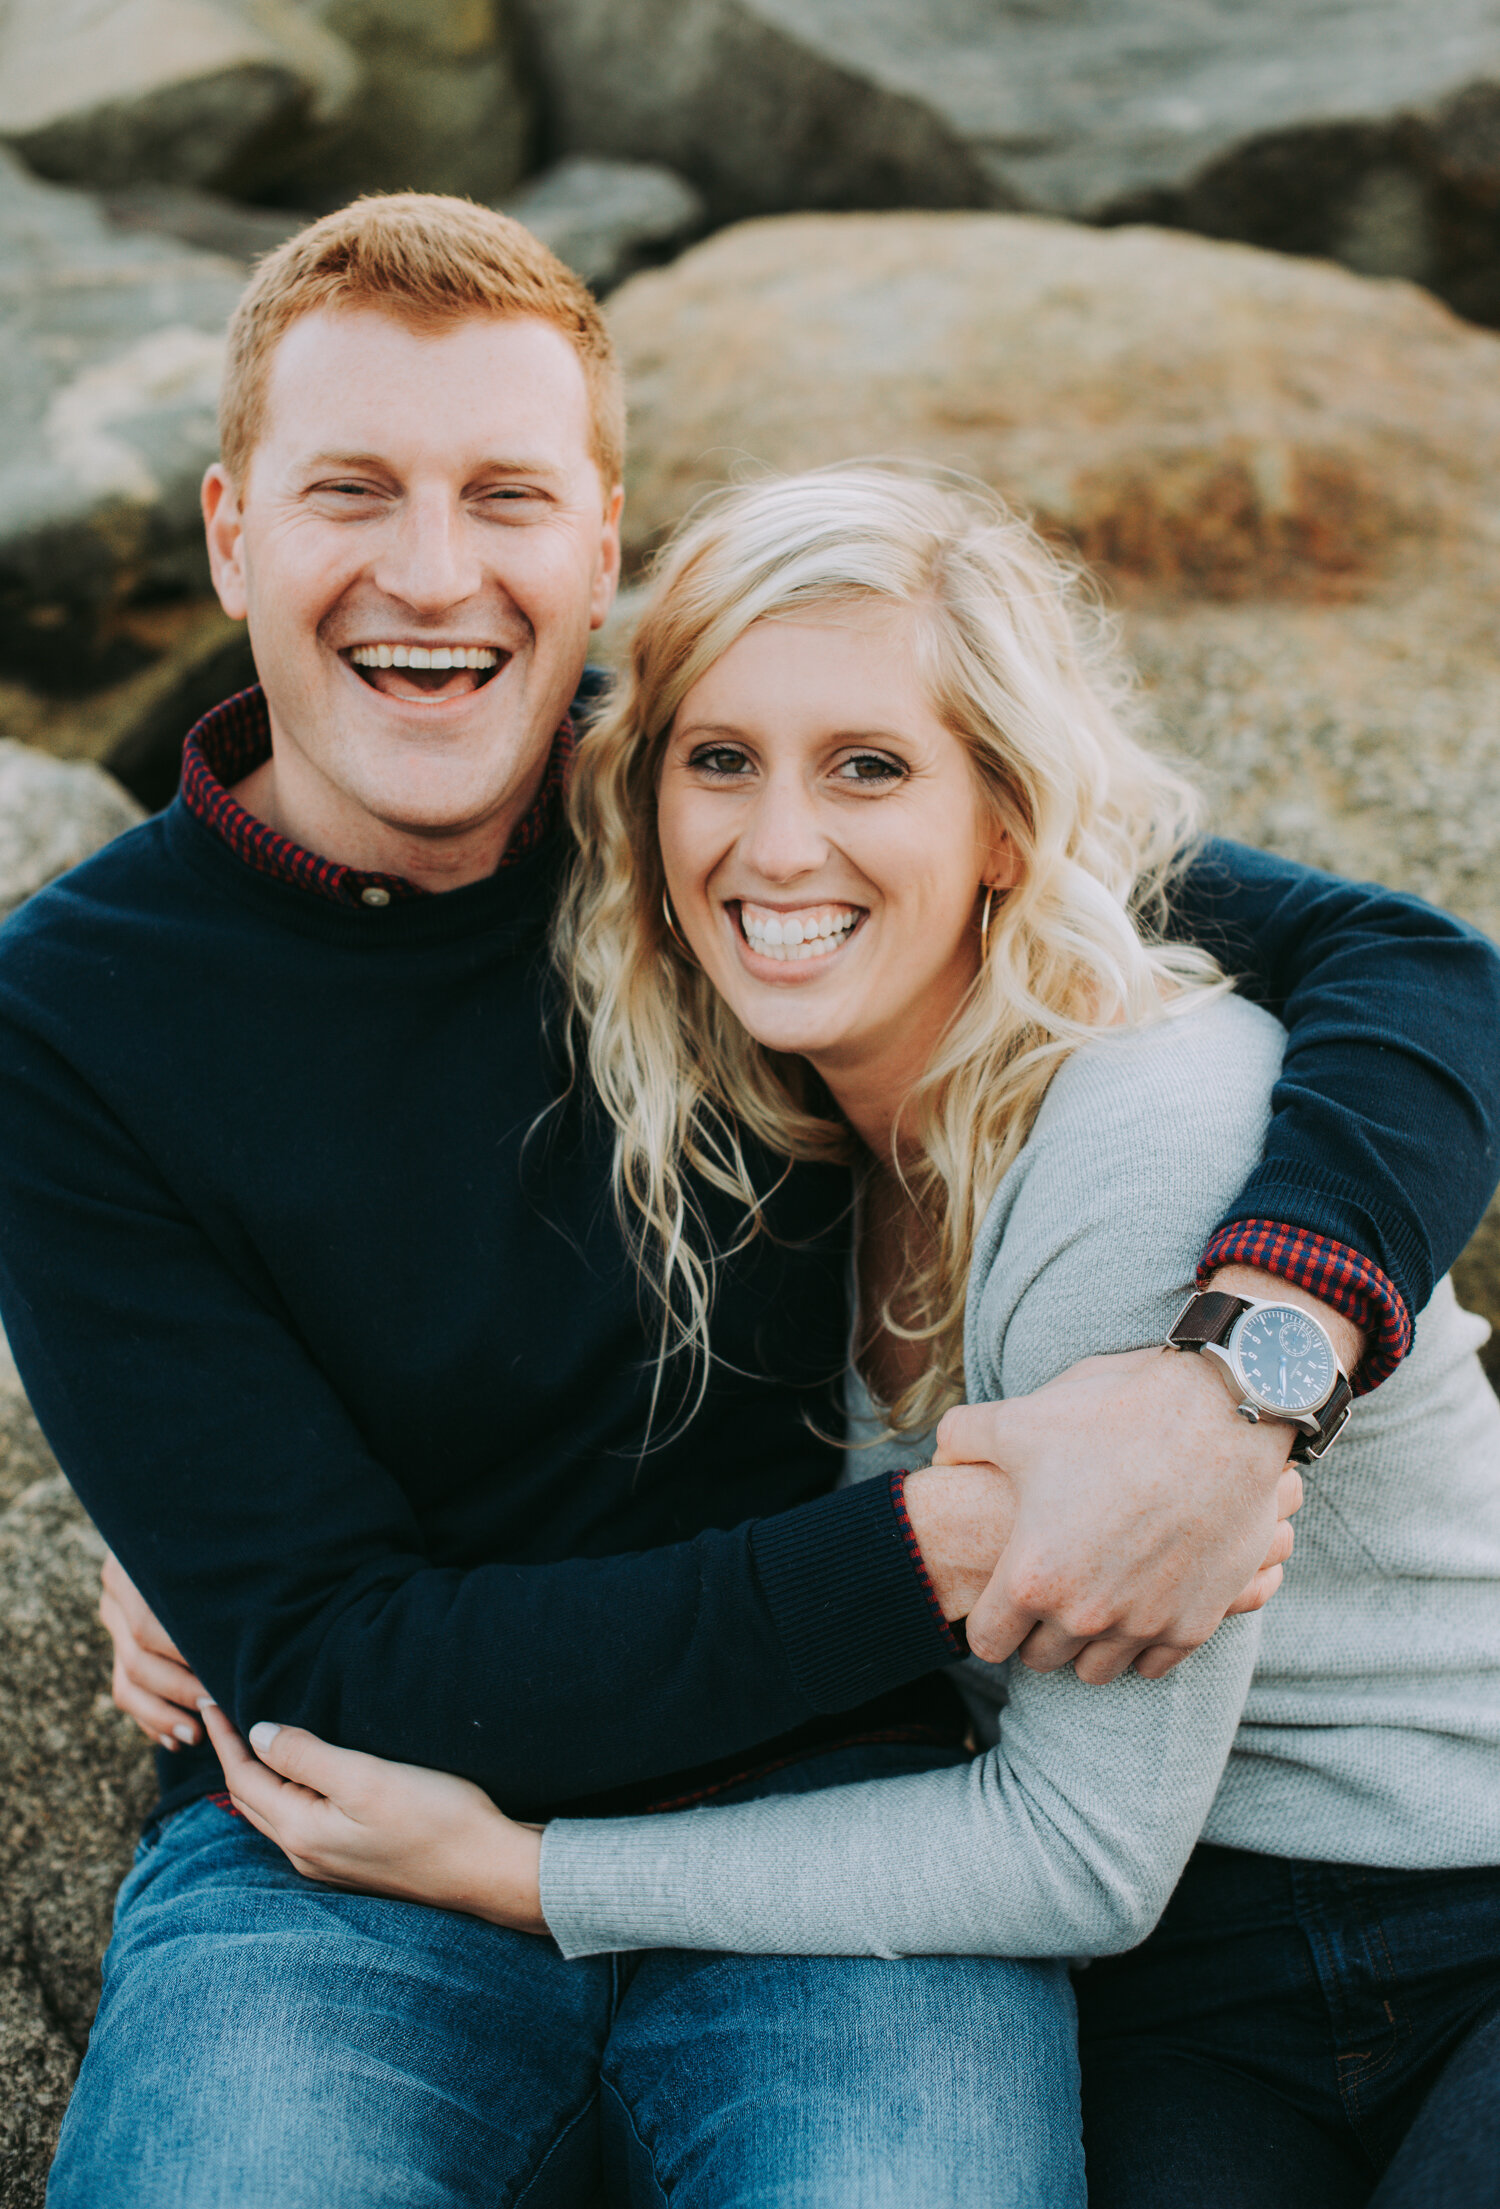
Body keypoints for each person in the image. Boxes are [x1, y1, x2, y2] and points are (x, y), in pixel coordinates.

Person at [0, 190, 1491, 2204]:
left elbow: (1407, 965)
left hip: (856, 1807)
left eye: (506, 496)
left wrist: (1236, 1375)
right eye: (350, 487)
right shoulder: (71, 1013)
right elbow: (327, 1659)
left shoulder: (724, 795)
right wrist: (940, 1542)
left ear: (599, 544)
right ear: (228, 534)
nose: (430, 573)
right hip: (347, 1844)